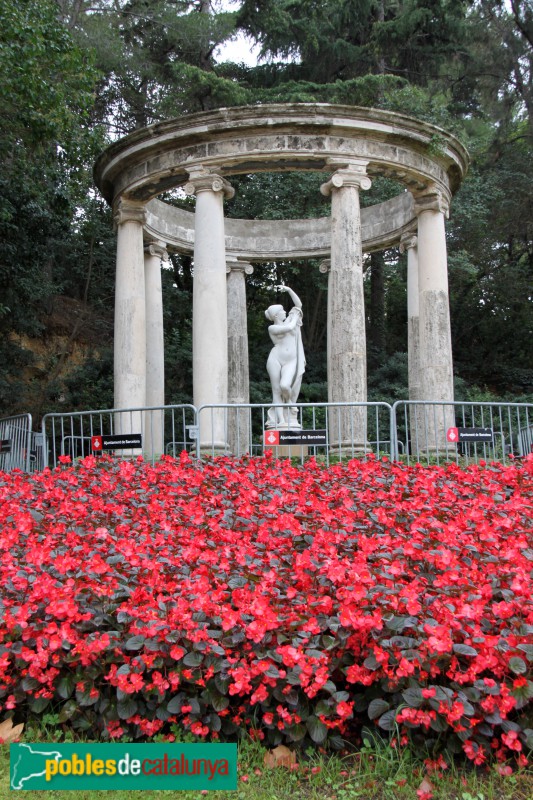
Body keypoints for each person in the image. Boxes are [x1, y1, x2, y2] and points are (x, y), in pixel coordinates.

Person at [265, 285, 305, 428]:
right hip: (275, 358)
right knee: (276, 390)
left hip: (291, 360)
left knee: (284, 385)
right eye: (282, 311)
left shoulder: (290, 320)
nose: (285, 312)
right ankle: (281, 420)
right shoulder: (273, 328)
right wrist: (295, 318)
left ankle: (288, 401)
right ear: (276, 315)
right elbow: (288, 328)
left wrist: (289, 290)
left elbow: (298, 305)